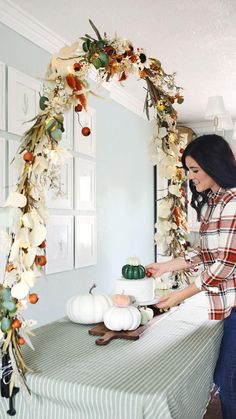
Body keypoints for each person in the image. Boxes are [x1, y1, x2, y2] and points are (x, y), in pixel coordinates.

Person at [146, 134, 236, 419]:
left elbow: (225, 263)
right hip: (229, 306)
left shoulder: (233, 202)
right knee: (225, 379)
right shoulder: (213, 202)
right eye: (188, 171)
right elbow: (204, 253)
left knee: (229, 381)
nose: (191, 177)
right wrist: (166, 266)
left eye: (195, 170)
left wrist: (182, 295)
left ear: (214, 165)